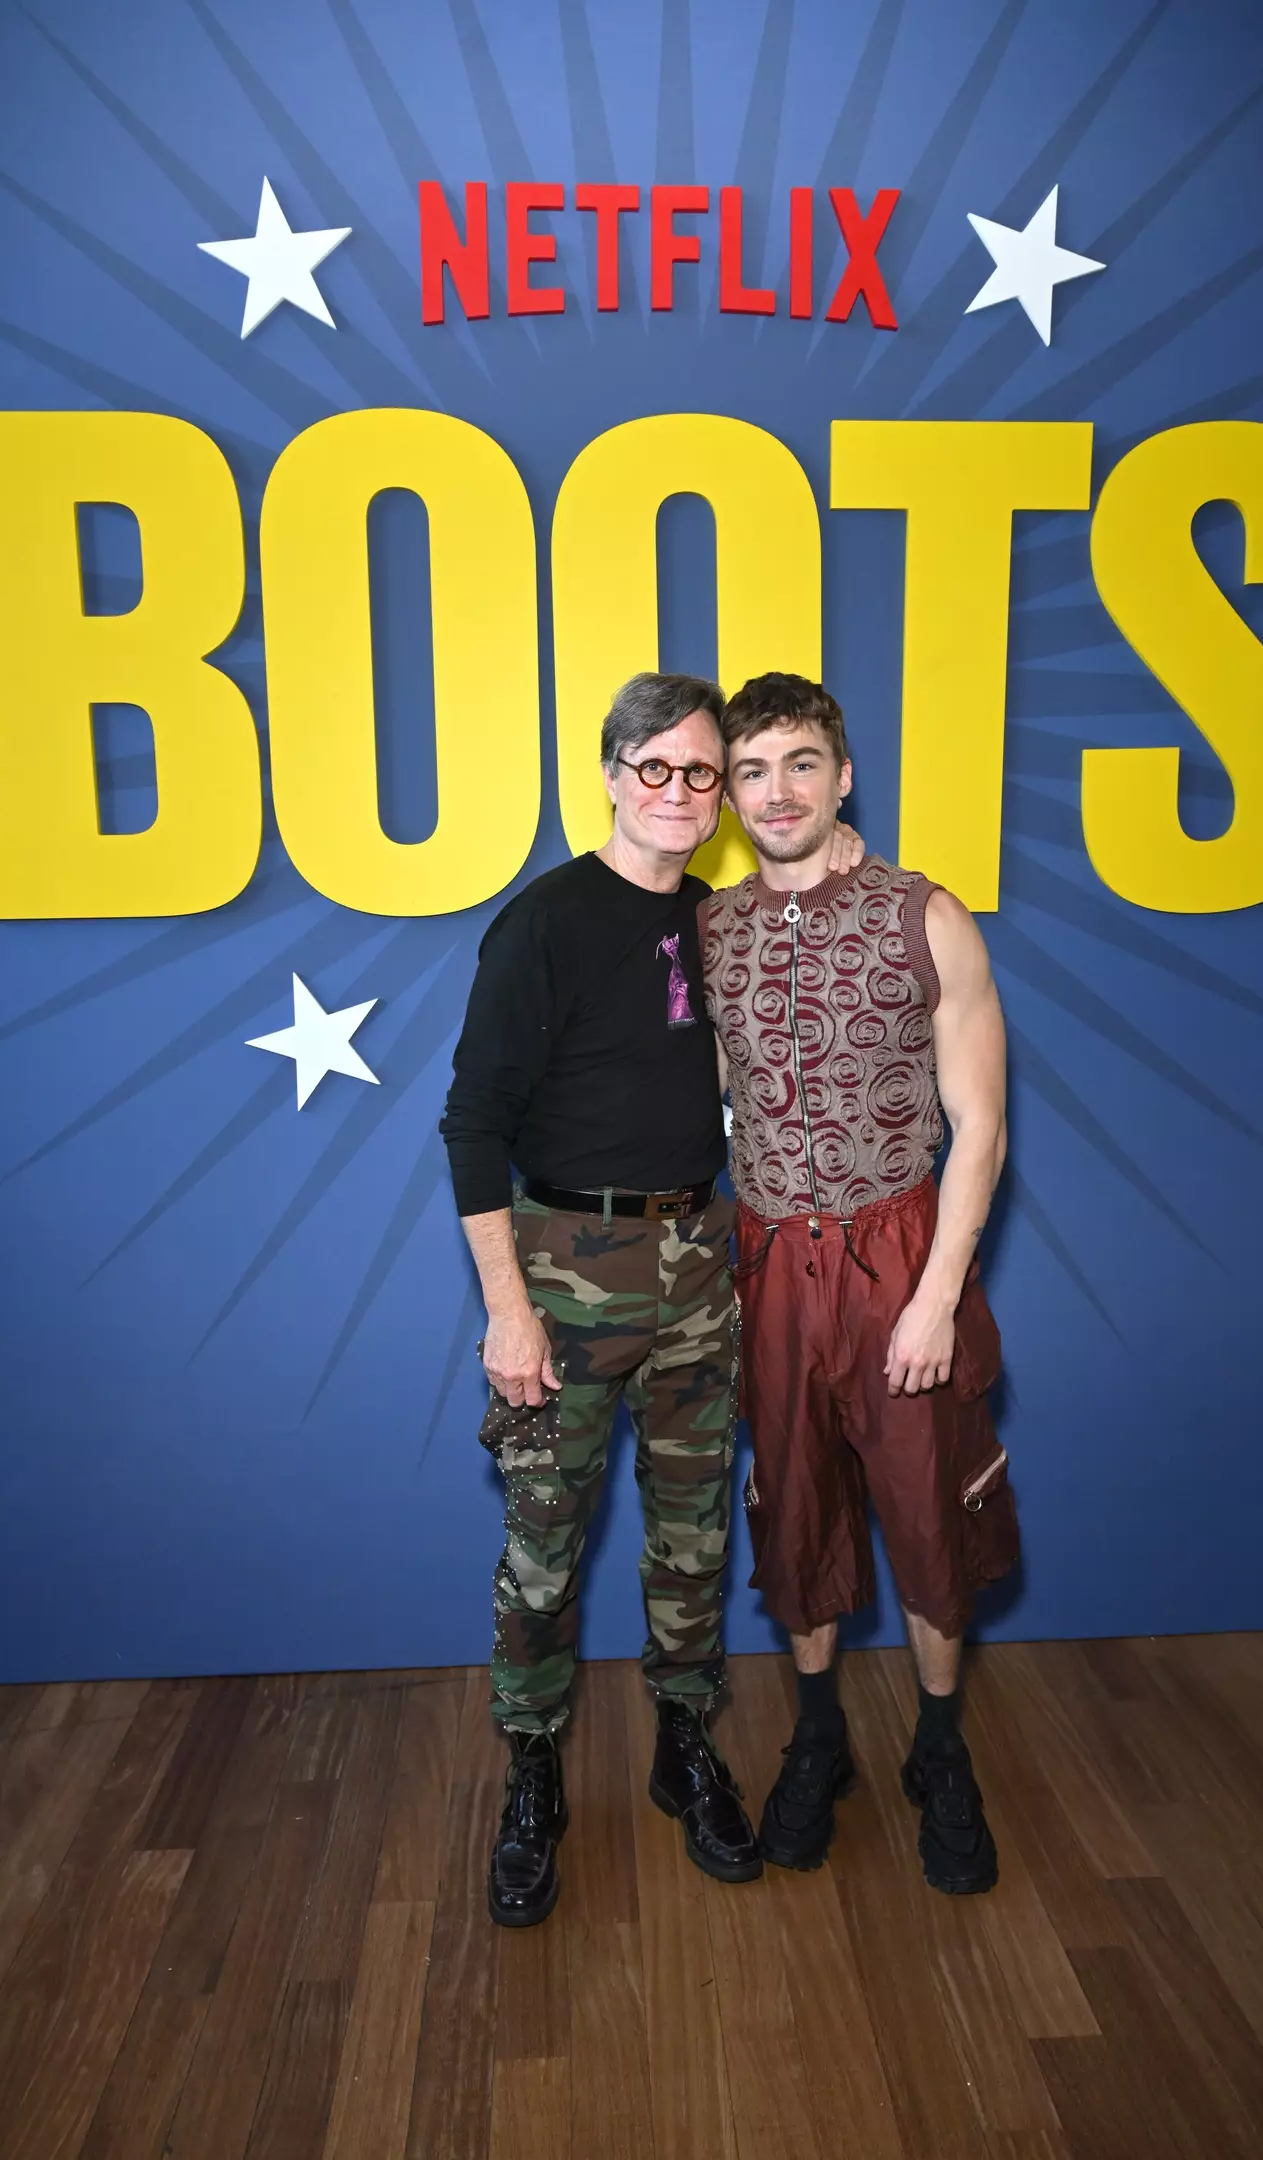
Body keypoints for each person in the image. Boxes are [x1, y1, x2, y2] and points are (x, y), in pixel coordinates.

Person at [441, 671, 861, 1928]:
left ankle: (685, 1746)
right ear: (615, 776)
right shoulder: (546, 923)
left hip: (699, 1264)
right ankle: (531, 1774)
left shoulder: (717, 923)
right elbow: (473, 1124)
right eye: (660, 768)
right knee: (543, 1547)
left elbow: (819, 913)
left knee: (693, 1536)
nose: (682, 792)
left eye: (703, 771)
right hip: (566, 1264)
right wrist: (509, 1311)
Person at [699, 672, 1019, 1893]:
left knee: (928, 1512)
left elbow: (978, 1125)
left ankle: (940, 1748)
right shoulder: (712, 928)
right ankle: (819, 1729)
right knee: (794, 1509)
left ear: (841, 775)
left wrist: (937, 1294)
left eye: (797, 764)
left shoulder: (925, 916)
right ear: (729, 794)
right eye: (750, 771)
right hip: (771, 1256)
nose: (774, 792)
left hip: (899, 1251)